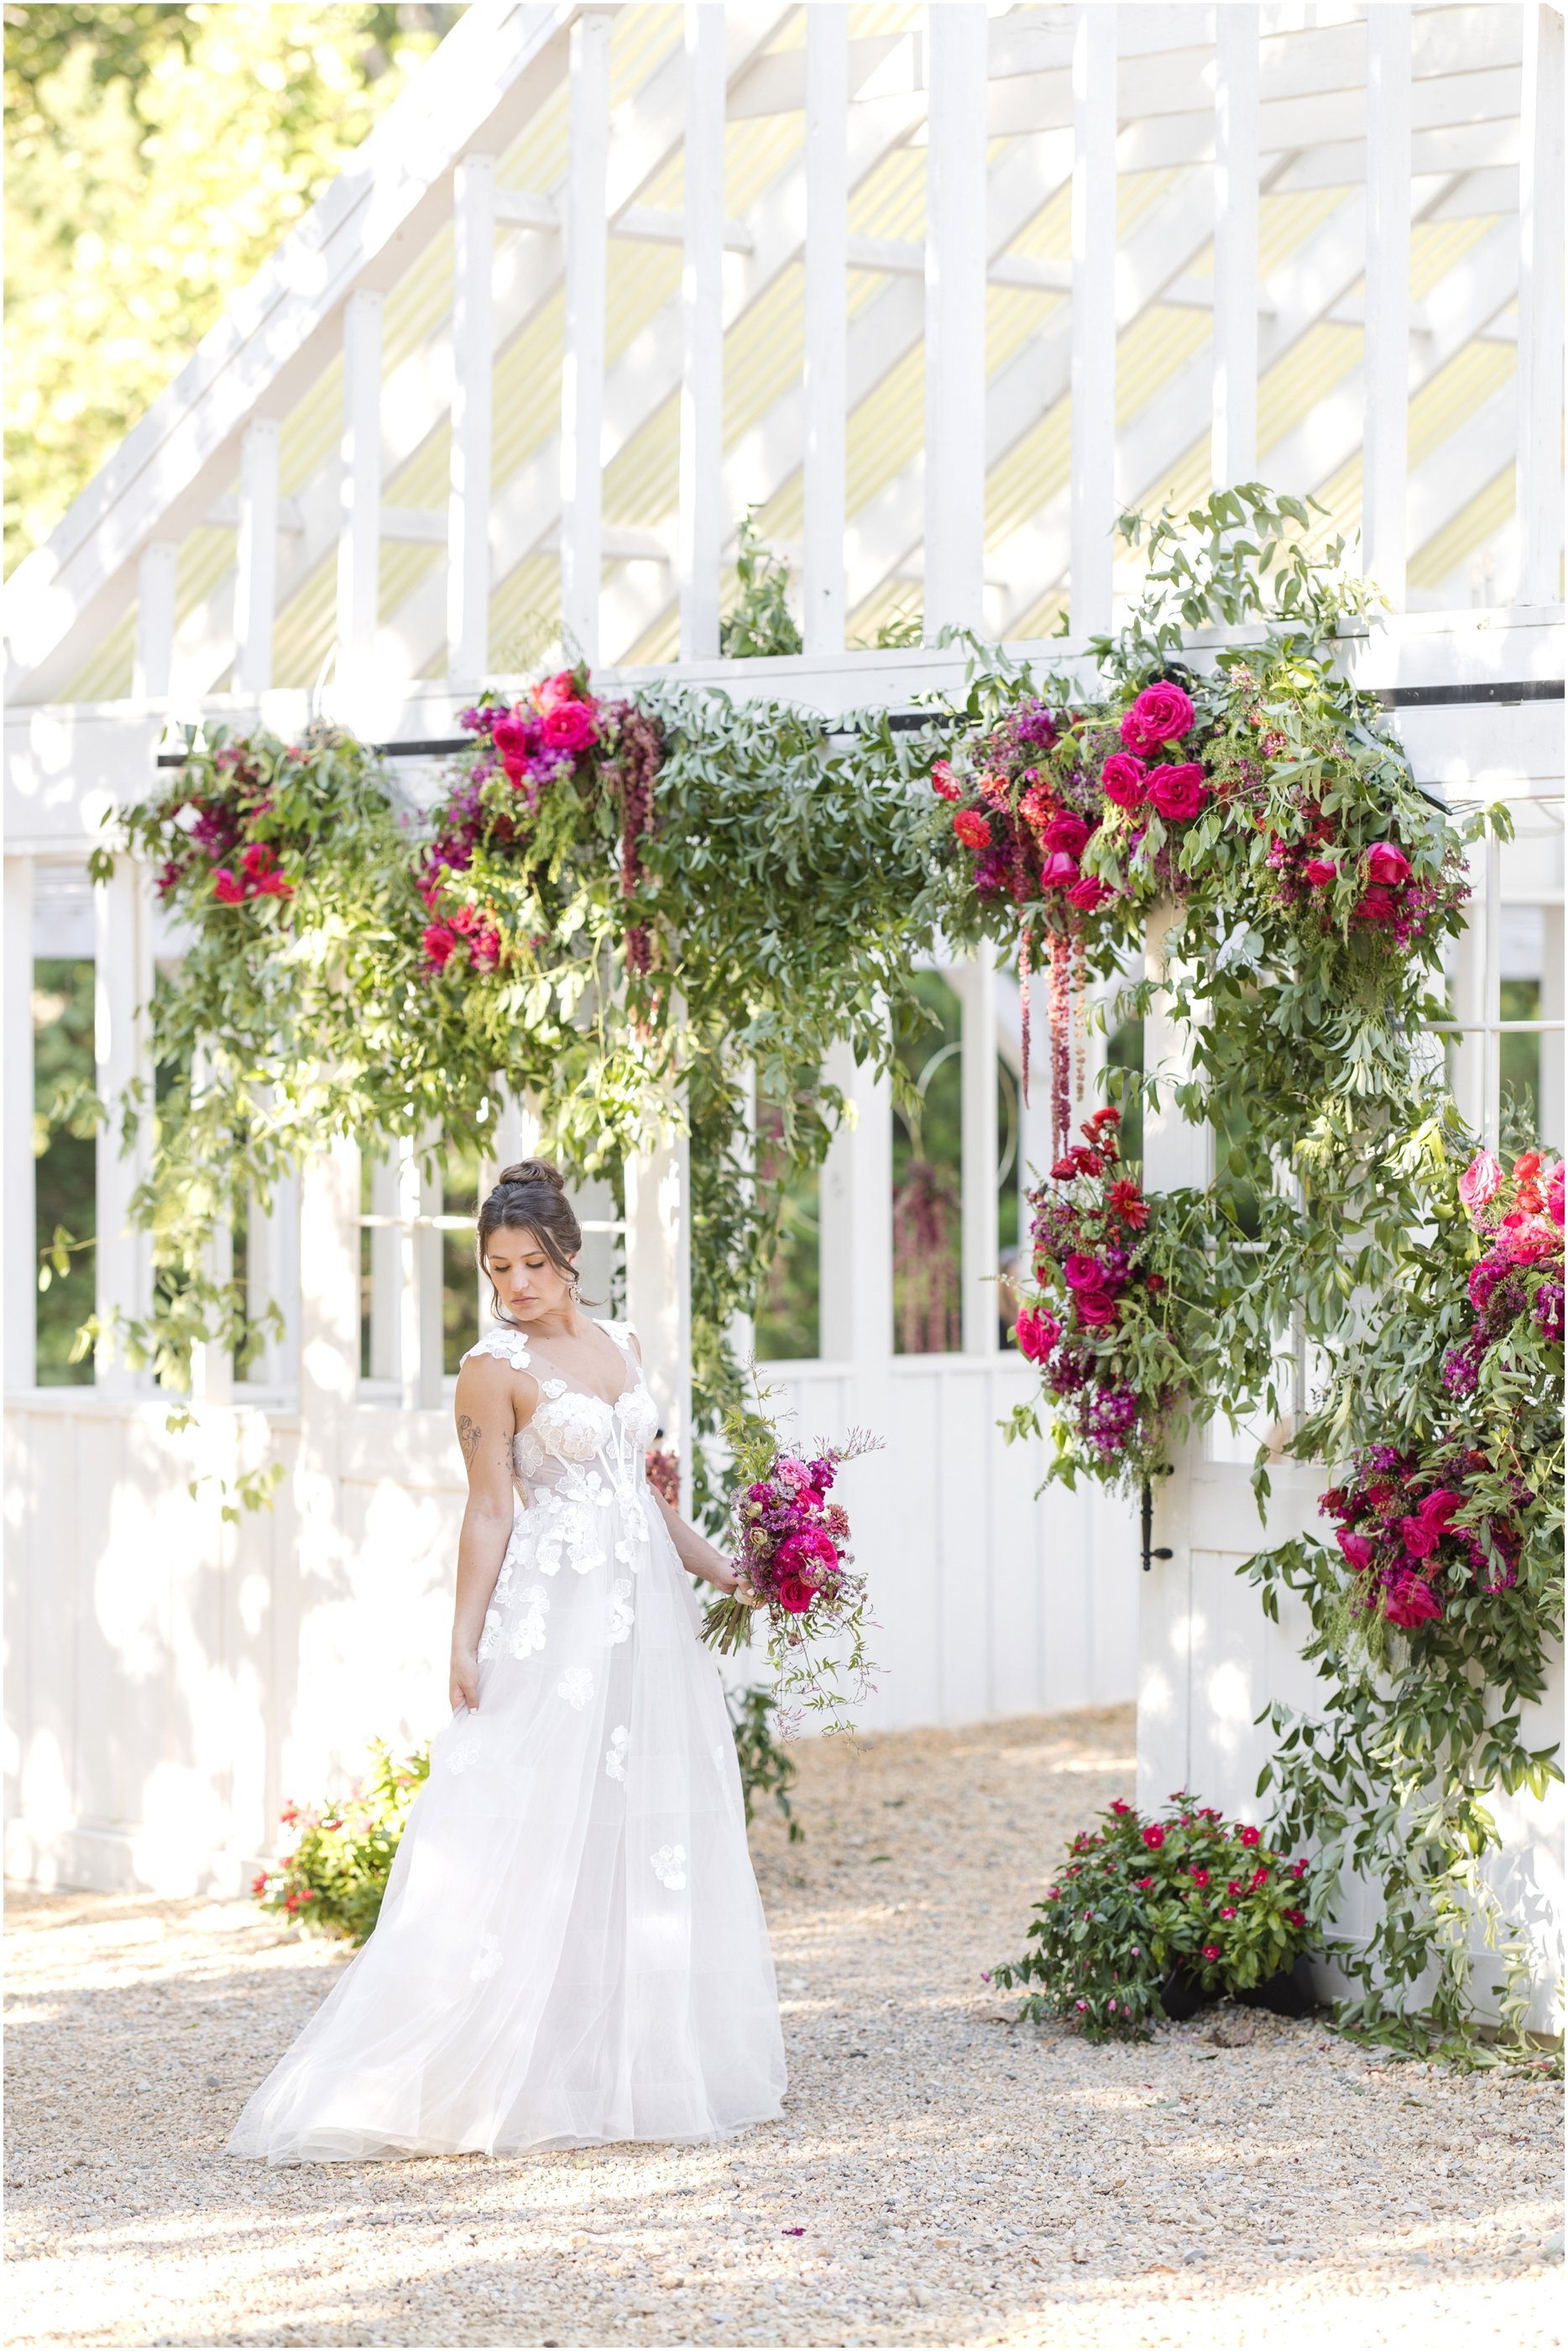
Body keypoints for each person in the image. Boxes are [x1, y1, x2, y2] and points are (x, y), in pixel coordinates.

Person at [229, 1159, 787, 2162]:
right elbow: (489, 1509)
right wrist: (463, 1637)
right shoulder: (490, 1372)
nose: (517, 1284)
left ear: (570, 1254)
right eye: (497, 1267)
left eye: (532, 1262)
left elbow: (650, 1502)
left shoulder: (622, 1342)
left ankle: (626, 2060)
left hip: (641, 1628)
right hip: (553, 1620)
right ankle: (491, 2060)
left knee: (641, 1826)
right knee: (525, 1819)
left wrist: (739, 1572)